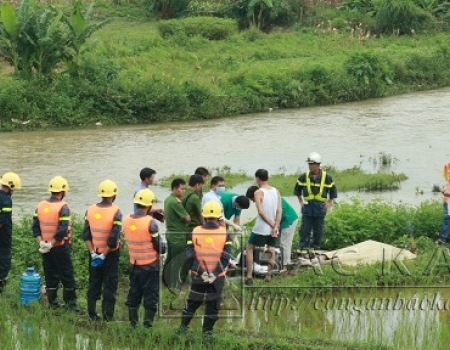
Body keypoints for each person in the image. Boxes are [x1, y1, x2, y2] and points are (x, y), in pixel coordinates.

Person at [178, 201, 233, 337]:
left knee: (193, 301)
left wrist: (202, 272)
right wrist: (213, 273)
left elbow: (190, 254)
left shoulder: (194, 232)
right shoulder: (225, 234)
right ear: (220, 217)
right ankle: (207, 334)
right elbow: (226, 258)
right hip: (217, 276)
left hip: (198, 275)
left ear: (203, 216)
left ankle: (182, 329)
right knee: (213, 304)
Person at [32, 176, 80, 311]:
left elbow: (35, 227)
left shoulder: (40, 205)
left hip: (45, 248)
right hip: (59, 247)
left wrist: (42, 243)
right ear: (63, 191)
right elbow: (63, 229)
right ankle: (70, 304)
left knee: (50, 274)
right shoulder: (63, 207)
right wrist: (52, 244)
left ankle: (53, 304)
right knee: (67, 274)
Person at [123, 188, 165, 328]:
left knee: (134, 294)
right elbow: (159, 246)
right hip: (150, 266)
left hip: (134, 264)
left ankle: (133, 326)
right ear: (149, 205)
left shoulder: (127, 219)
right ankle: (147, 327)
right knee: (150, 296)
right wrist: (165, 247)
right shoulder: (150, 223)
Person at [83, 180, 122, 322]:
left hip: (93, 253)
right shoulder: (116, 212)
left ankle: (92, 315)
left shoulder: (90, 210)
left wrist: (94, 254)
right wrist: (104, 255)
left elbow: (86, 235)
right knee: (110, 284)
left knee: (94, 282)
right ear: (114, 195)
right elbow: (113, 239)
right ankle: (108, 317)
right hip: (110, 255)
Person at [293, 152, 337, 259]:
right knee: (305, 229)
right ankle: (303, 249)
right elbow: (297, 190)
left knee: (318, 229)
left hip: (320, 207)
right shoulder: (304, 177)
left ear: (318, 165)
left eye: (311, 164)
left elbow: (333, 191)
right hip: (307, 206)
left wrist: (329, 202)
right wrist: (300, 202)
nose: (310, 166)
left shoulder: (327, 177)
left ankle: (315, 249)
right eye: (309, 164)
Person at [246, 186, 298, 273]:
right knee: (275, 245)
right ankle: (277, 265)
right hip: (279, 222)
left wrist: (273, 226)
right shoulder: (267, 197)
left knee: (284, 243)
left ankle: (285, 266)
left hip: (289, 219)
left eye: (253, 199)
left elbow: (276, 213)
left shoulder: (269, 199)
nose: (254, 201)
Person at [245, 169, 281, 284]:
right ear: (268, 178)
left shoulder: (258, 192)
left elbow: (260, 211)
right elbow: (279, 210)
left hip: (262, 227)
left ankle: (249, 276)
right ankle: (269, 276)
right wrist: (276, 225)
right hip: (273, 228)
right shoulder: (276, 191)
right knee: (271, 249)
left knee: (250, 248)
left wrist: (271, 223)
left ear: (257, 179)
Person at [163, 178, 190, 288]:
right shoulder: (175, 202)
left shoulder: (167, 199)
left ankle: (165, 281)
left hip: (170, 234)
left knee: (169, 259)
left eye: (185, 189)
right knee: (177, 262)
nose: (183, 191)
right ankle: (174, 284)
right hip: (178, 236)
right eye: (181, 189)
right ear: (174, 188)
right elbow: (187, 218)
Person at [0, 172, 21, 295]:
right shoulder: (6, 201)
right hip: (3, 238)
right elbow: (2, 222)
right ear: (10, 187)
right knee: (4, 263)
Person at [436, 163, 450, 244]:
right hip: (446, 203)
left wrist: (446, 194)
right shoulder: (448, 182)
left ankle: (442, 239)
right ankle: (442, 238)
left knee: (446, 220)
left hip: (448, 204)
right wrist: (443, 190)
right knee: (446, 220)